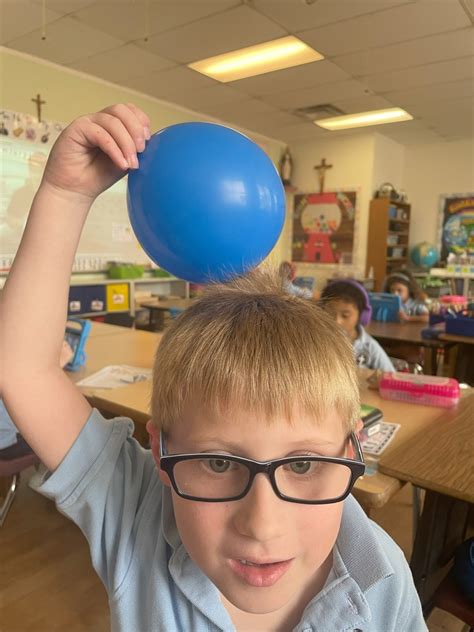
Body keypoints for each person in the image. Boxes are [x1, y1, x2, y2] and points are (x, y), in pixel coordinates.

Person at [1, 104, 426, 631]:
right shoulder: (136, 516)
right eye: (221, 464)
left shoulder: (382, 580)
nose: (261, 525)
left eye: (302, 465)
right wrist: (66, 195)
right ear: (161, 451)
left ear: (352, 449)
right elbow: (24, 369)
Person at [320, 279, 395, 372]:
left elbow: (391, 376)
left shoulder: (369, 347)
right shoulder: (316, 341)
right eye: (330, 313)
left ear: (362, 316)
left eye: (345, 316)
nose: (337, 321)